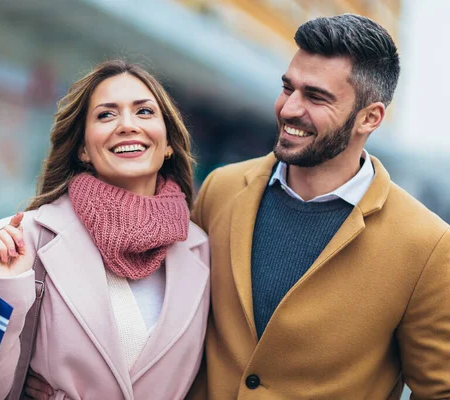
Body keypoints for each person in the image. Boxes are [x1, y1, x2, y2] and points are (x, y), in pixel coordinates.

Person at [187, 14, 450, 400]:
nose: (289, 109)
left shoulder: (427, 245)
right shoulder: (220, 190)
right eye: (287, 87)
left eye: (315, 97)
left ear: (369, 118)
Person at [0, 60, 210, 400]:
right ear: (84, 149)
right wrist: (5, 291)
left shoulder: (199, 246)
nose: (127, 125)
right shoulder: (26, 237)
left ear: (168, 144)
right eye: (106, 115)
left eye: (144, 112)